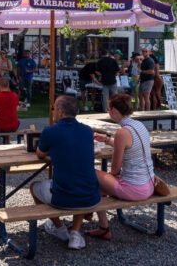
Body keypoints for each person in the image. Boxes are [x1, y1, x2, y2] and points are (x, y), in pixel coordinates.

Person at [29, 95, 101, 250]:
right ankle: (75, 232)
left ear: (60, 112)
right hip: (91, 196)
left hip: (63, 198)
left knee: (34, 186)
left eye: (54, 108)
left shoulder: (50, 131)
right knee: (80, 180)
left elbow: (40, 154)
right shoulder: (87, 131)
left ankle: (60, 228)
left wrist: (55, 151)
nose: (53, 112)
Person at [89, 94, 156, 240]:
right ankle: (102, 227)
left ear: (113, 110)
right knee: (100, 184)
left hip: (134, 188)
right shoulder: (138, 125)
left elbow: (114, 169)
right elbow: (130, 145)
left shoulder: (122, 133)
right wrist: (107, 140)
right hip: (149, 184)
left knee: (90, 172)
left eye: (108, 108)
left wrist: (111, 175)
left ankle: (88, 212)